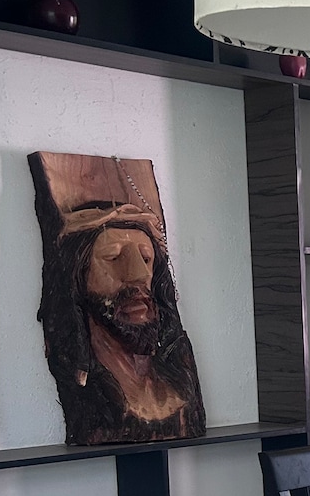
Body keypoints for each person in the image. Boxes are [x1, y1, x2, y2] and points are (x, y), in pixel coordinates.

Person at [30, 151, 206, 446]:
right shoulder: (92, 394)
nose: (138, 275)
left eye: (146, 258)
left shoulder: (179, 386)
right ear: (78, 276)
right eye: (112, 257)